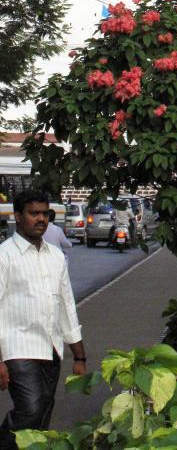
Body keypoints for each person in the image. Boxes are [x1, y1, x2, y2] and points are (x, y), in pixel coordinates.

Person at [0, 190, 86, 448]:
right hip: (17, 347)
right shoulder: (4, 255)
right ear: (17, 216)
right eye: (33, 213)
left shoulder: (56, 256)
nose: (41, 219)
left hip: (50, 349)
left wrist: (79, 355)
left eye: (45, 214)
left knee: (42, 416)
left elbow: (66, 306)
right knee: (31, 409)